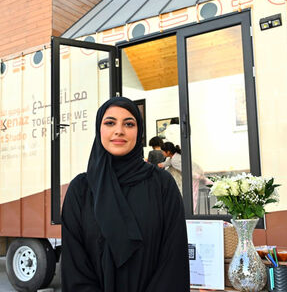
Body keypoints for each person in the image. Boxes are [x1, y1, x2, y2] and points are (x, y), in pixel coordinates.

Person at [61, 97, 190, 292]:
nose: (119, 130)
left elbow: (173, 261)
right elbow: (74, 267)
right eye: (110, 122)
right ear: (99, 130)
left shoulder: (162, 185)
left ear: (139, 132)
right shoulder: (81, 190)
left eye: (129, 124)